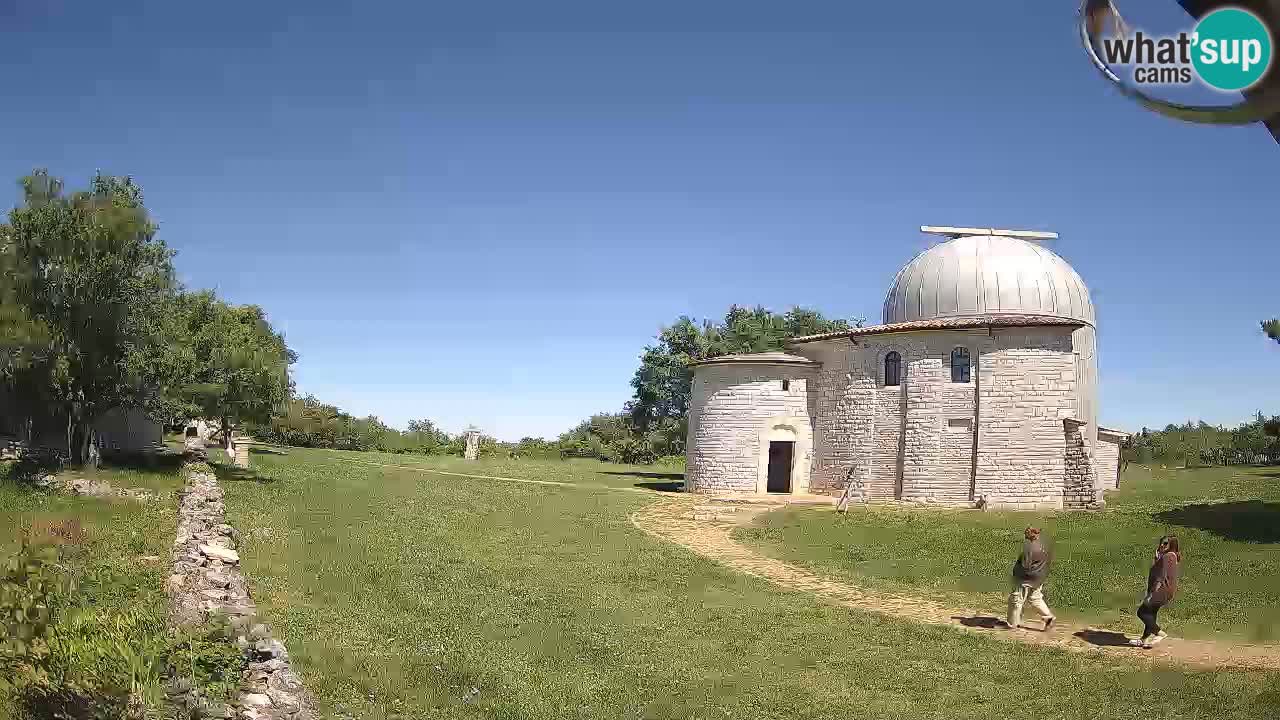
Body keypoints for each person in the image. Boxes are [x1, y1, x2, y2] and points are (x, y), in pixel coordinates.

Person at [1131, 535, 1180, 649]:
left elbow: (1161, 576)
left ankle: (1160, 634)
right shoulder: (1171, 556)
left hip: (1160, 590)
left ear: (1171, 545)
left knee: (1142, 612)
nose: (1162, 545)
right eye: (1161, 543)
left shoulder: (1167, 556)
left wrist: (1152, 593)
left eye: (1165, 543)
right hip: (1166, 591)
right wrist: (1157, 559)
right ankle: (1144, 639)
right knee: (1151, 613)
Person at [1006, 526, 1056, 631]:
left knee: (1016, 600)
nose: (1025, 536)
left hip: (1025, 579)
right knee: (1035, 599)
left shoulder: (1030, 548)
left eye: (1026, 534)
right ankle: (1048, 617)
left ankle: (1012, 624)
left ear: (1030, 535)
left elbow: (1025, 565)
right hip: (1039, 577)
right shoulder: (1044, 545)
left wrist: (1017, 573)